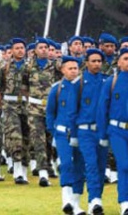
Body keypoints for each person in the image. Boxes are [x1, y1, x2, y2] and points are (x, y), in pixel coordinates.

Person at [98, 48, 128, 215]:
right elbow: (103, 109)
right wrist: (103, 134)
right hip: (116, 130)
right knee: (123, 165)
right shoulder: (112, 81)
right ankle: (125, 203)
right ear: (119, 61)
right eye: (126, 58)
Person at [47, 56, 85, 215]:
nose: (73, 71)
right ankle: (66, 199)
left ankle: (76, 203)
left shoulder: (84, 87)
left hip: (81, 133)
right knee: (67, 164)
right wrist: (53, 131)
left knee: (79, 166)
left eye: (76, 68)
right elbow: (50, 112)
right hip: (63, 133)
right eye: (70, 68)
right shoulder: (57, 88)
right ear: (62, 70)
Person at [76, 49, 108, 215]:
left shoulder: (107, 81)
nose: (96, 64)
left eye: (99, 61)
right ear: (86, 62)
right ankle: (93, 199)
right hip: (85, 131)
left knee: (102, 166)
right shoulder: (79, 82)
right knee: (91, 164)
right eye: (93, 61)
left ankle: (97, 199)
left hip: (102, 131)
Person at [0, 38, 31, 185]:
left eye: (22, 48)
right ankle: (17, 170)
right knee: (15, 137)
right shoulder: (4, 67)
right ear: (11, 50)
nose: (20, 50)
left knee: (26, 138)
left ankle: (24, 171)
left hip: (27, 105)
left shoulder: (30, 67)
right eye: (17, 48)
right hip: (10, 105)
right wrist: (1, 104)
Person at [24, 37, 55, 187]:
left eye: (46, 47)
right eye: (41, 47)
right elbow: (23, 87)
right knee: (38, 140)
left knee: (49, 140)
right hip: (34, 109)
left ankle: (48, 165)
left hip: (50, 109)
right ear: (35, 50)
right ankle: (42, 173)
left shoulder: (55, 66)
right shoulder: (28, 67)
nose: (44, 50)